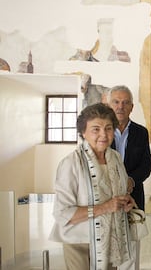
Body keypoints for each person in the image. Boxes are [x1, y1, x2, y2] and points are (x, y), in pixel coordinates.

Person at [49, 103, 136, 270]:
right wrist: (105, 207)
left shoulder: (116, 159)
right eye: (96, 129)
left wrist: (125, 202)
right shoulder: (70, 163)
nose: (103, 134)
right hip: (79, 243)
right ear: (83, 132)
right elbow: (62, 213)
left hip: (112, 240)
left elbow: (118, 194)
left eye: (108, 128)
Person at [107, 85, 151, 270]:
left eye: (125, 103)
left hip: (132, 200)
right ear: (109, 105)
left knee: (131, 252)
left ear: (132, 107)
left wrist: (131, 180)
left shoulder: (141, 132)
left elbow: (147, 164)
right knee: (108, 251)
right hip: (106, 199)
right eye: (116, 102)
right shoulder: (101, 132)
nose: (120, 106)